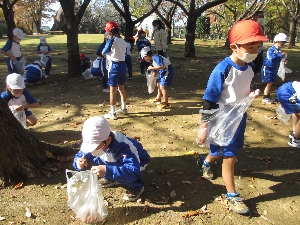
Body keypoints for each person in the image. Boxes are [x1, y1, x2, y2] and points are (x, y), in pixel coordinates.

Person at [196, 20, 268, 214]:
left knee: (221, 150)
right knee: (230, 156)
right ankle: (232, 194)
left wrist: (251, 93)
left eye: (258, 47)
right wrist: (204, 126)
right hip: (222, 118)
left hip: (239, 117)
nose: (255, 51)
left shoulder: (250, 67)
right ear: (234, 47)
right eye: (251, 47)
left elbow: (243, 86)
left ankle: (206, 162)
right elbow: (209, 99)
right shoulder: (222, 70)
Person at [73, 116, 150, 202]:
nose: (92, 151)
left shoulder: (124, 147)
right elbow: (82, 154)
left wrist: (108, 171)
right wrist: (79, 162)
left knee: (126, 172)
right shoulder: (99, 144)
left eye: (95, 147)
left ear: (108, 140)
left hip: (138, 161)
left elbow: (133, 170)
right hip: (111, 159)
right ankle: (112, 177)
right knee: (106, 162)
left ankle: (137, 186)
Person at [102, 21, 127, 120]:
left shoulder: (111, 41)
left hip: (114, 66)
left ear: (109, 31)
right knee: (122, 88)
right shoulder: (123, 40)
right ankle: (124, 108)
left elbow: (104, 52)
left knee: (112, 91)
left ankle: (112, 112)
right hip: (122, 65)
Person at [261, 33, 288, 104]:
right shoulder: (271, 50)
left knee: (271, 82)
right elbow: (272, 58)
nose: (282, 45)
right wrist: (280, 55)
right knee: (269, 83)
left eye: (283, 44)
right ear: (276, 42)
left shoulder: (279, 51)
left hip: (273, 69)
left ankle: (267, 95)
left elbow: (279, 58)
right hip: (267, 69)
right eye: (281, 43)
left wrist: (284, 59)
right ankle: (265, 97)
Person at [276, 82, 300, 148]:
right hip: (287, 92)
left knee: (297, 111)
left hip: (287, 89)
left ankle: (295, 132)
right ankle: (295, 141)